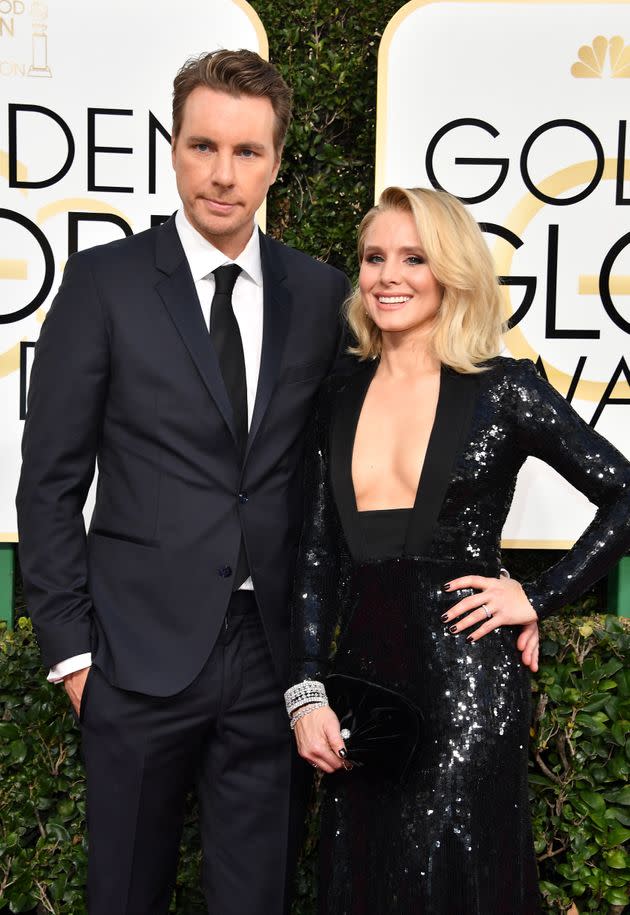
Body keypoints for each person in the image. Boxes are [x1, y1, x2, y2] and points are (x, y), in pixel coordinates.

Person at [16, 49, 350, 915]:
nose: (223, 175)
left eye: (247, 153)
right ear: (173, 147)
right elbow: (50, 478)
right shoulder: (105, 283)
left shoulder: (321, 295)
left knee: (258, 898)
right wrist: (75, 656)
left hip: (269, 657)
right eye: (204, 146)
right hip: (131, 654)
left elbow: (358, 459)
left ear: (277, 161)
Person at [286, 186, 630, 914]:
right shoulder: (338, 393)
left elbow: (624, 493)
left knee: (448, 876)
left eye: (414, 257)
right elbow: (317, 552)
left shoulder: (503, 390)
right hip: (366, 692)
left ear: (451, 271)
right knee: (365, 878)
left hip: (467, 687)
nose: (388, 275)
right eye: (374, 257)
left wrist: (536, 594)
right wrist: (307, 689)